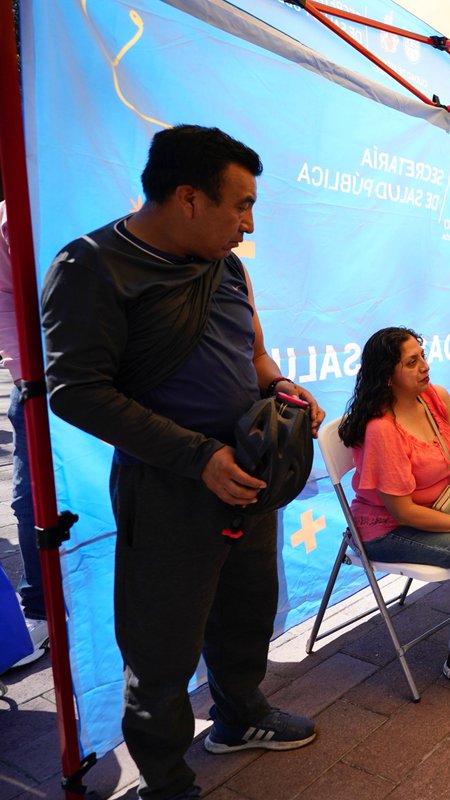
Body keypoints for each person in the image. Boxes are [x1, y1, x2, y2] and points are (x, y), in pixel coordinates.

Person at [41, 125, 325, 800]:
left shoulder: (227, 267)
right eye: (242, 205)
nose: (248, 225)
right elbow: (76, 392)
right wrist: (199, 458)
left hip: (248, 477)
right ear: (190, 197)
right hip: (167, 491)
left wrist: (280, 386)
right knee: (161, 648)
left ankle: (240, 716)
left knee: (246, 613)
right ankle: (166, 782)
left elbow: (254, 353)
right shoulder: (92, 266)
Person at [339, 326, 450, 695]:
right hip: (386, 529)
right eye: (411, 363)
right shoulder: (382, 429)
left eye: (422, 356)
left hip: (435, 506)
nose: (424, 366)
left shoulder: (434, 398)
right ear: (387, 375)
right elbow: (404, 513)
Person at [0, 194, 48, 669]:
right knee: (27, 500)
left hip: (108, 376)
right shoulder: (10, 212)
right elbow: (6, 295)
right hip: (34, 383)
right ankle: (39, 608)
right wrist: (20, 370)